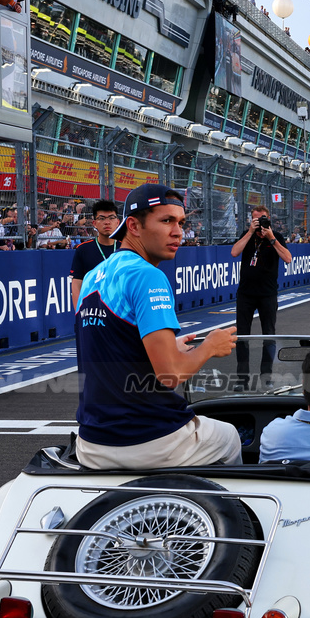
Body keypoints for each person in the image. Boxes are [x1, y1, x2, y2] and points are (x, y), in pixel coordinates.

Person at [74, 183, 240, 470]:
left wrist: (157, 348)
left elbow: (109, 342)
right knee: (231, 436)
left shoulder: (92, 276)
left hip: (91, 442)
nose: (178, 232)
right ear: (134, 227)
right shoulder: (147, 275)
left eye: (181, 222)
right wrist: (209, 347)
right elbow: (171, 375)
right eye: (166, 221)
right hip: (149, 439)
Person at [231, 204, 292, 386]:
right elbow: (234, 252)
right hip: (246, 294)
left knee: (268, 335)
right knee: (242, 336)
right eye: (256, 219)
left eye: (262, 219)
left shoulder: (276, 237)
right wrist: (250, 232)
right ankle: (242, 379)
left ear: (269, 219)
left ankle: (266, 377)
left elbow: (288, 258)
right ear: (251, 220)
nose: (259, 223)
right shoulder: (246, 235)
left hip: (267, 294)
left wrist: (271, 238)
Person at [70, 199, 119, 307]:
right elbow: (77, 283)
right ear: (94, 223)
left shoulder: (126, 248)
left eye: (111, 218)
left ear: (117, 222)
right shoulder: (83, 249)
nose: (107, 222)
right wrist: (79, 313)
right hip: (94, 312)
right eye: (102, 218)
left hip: (121, 312)